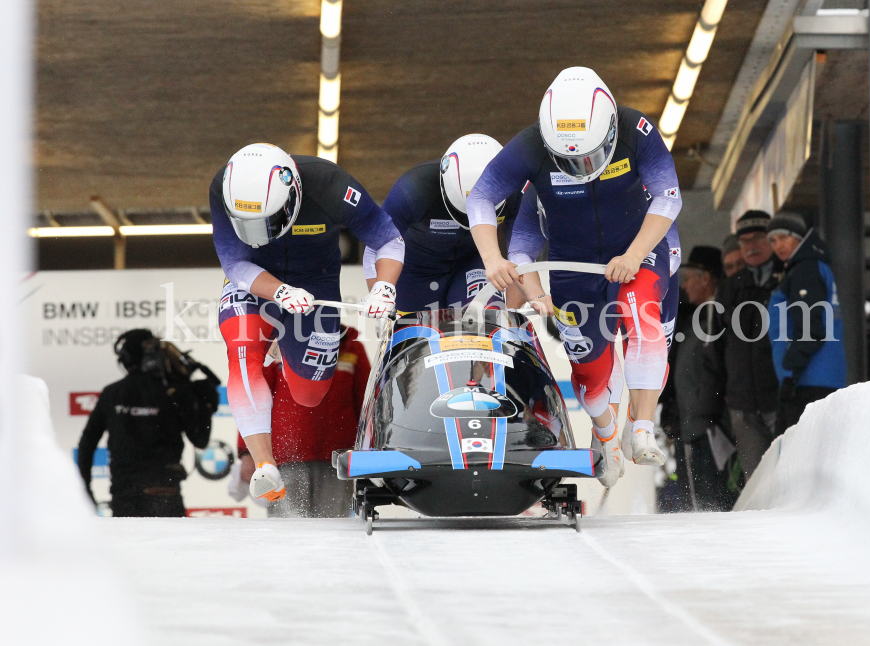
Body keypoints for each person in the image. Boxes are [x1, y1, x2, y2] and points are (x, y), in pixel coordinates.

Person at [466, 67, 683, 489]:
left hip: (638, 249)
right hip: (573, 268)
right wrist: (500, 265)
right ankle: (605, 435)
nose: (582, 167)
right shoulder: (531, 151)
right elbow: (487, 204)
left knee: (643, 320)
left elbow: (668, 197)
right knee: (591, 369)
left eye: (589, 156)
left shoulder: (637, 130)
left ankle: (641, 426)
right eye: (570, 160)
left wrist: (636, 254)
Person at [211, 142, 403, 504]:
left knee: (309, 393)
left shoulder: (332, 185)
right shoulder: (223, 186)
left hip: (316, 284)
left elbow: (388, 239)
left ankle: (283, 349)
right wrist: (279, 291)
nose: (263, 231)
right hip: (255, 279)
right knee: (241, 348)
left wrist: (383, 289)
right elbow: (235, 264)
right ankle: (267, 466)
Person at [376, 134, 530, 313]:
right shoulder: (413, 187)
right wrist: (380, 292)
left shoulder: (515, 189)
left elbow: (520, 255)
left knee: (485, 319)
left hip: (473, 263)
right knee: (413, 333)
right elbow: (377, 244)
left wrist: (511, 314)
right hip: (416, 270)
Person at [230, 325, 370, 517]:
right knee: (286, 531)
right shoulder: (277, 346)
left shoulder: (352, 348)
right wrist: (247, 452)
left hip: (337, 460)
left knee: (333, 530)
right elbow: (254, 399)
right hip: (285, 457)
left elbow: (366, 403)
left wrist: (370, 449)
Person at [77, 329, 220, 517]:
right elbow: (200, 439)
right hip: (164, 490)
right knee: (169, 547)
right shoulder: (175, 392)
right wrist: (204, 405)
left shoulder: (111, 394)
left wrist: (85, 489)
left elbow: (87, 445)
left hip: (123, 494)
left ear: (125, 360)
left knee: (128, 547)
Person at [671, 246, 739, 511]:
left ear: (706, 278)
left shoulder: (718, 317)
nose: (685, 287)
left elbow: (719, 372)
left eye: (689, 278)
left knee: (711, 507)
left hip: (711, 431)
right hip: (696, 427)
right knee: (700, 504)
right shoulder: (697, 318)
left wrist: (710, 420)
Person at [766, 212, 846, 433]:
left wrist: (791, 373)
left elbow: (811, 326)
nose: (778, 245)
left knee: (796, 457)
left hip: (809, 380)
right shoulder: (813, 266)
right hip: (822, 377)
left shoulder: (806, 270)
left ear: (800, 238)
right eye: (773, 240)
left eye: (784, 237)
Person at [717, 210, 780, 481]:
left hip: (779, 399)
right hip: (742, 404)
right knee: (755, 484)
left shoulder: (788, 276)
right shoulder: (730, 287)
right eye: (744, 241)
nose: (751, 246)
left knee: (787, 478)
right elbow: (719, 343)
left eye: (757, 237)